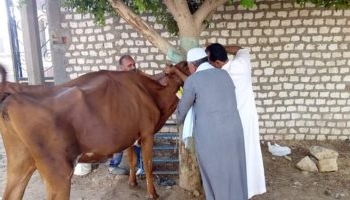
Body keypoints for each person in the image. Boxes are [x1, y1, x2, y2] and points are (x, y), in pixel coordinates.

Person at [175, 47, 248, 200]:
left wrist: (178, 117)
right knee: (235, 170)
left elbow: (182, 110)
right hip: (235, 131)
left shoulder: (193, 80)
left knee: (215, 172)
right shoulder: (224, 74)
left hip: (212, 136)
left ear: (192, 65)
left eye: (188, 66)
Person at [206, 43, 266, 199]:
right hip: (249, 117)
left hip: (232, 122)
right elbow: (240, 49)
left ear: (217, 63)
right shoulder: (243, 63)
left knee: (232, 158)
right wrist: (218, 47)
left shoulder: (219, 76)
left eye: (210, 61)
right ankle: (251, 188)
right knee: (250, 152)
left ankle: (236, 190)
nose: (210, 65)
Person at [108, 55, 144, 175]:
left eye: (134, 64)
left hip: (135, 116)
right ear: (121, 67)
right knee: (120, 141)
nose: (133, 67)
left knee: (137, 141)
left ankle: (140, 165)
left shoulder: (136, 77)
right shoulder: (115, 80)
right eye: (130, 66)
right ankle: (113, 165)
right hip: (120, 117)